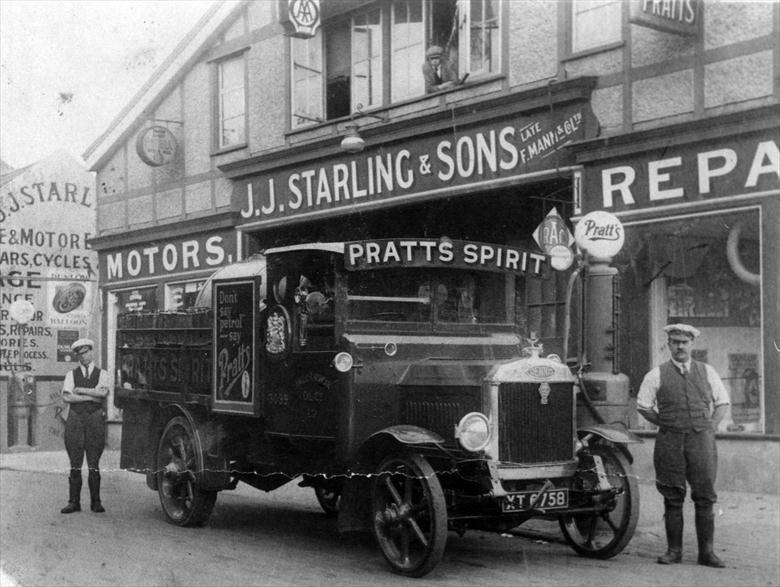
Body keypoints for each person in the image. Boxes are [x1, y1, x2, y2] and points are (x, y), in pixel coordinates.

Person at [636, 324, 730, 568]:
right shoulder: (656, 374)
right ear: (668, 345)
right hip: (670, 442)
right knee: (673, 495)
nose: (679, 346)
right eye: (675, 342)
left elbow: (723, 403)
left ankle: (706, 553)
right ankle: (674, 551)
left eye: (684, 342)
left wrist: (710, 426)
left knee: (705, 496)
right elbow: (644, 406)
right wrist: (665, 423)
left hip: (702, 442)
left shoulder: (707, 371)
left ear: (692, 344)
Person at [60, 338, 109, 514]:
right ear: (77, 356)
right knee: (75, 461)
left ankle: (96, 502)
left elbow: (103, 393)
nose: (84, 357)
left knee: (94, 462)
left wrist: (81, 390)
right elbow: (67, 397)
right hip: (75, 420)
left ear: (91, 351)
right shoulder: (70, 375)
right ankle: (74, 502)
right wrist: (92, 396)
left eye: (86, 352)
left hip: (95, 420)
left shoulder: (102, 373)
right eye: (80, 354)